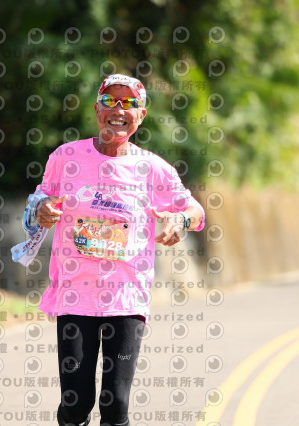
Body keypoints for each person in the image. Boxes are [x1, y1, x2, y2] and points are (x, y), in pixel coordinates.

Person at [13, 74, 205, 426]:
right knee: (76, 403)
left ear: (141, 116)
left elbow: (195, 211)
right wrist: (41, 208)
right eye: (109, 101)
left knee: (115, 404)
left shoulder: (153, 169)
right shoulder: (66, 157)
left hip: (126, 297)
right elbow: (40, 198)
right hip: (75, 293)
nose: (118, 110)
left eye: (129, 103)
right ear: (96, 108)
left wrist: (180, 220)